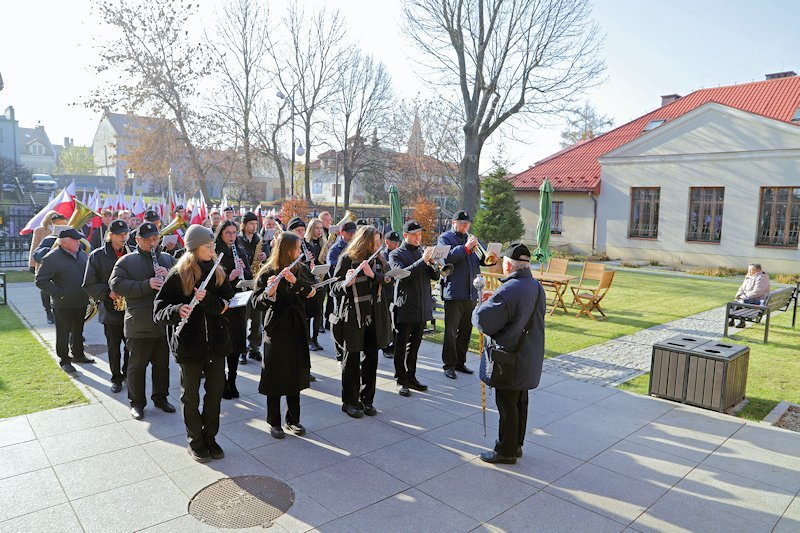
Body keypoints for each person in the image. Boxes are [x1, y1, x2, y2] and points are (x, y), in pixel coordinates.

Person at [153, 224, 234, 463]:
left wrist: (209, 300)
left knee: (214, 394)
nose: (213, 249)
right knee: (190, 396)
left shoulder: (218, 271)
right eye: (208, 246)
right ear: (195, 249)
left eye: (212, 245)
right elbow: (159, 311)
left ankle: (210, 437)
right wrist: (179, 309)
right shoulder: (178, 274)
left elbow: (228, 301)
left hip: (216, 345)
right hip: (189, 345)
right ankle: (195, 441)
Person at [473, 243, 545, 465]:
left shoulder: (509, 289)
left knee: (507, 404)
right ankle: (516, 444)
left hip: (510, 357)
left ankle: (505, 450)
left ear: (508, 265)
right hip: (528, 355)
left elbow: (482, 321)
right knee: (520, 402)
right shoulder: (535, 285)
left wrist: (479, 307)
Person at [252, 232, 317, 439]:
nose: (300, 252)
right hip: (276, 327)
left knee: (295, 372)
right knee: (275, 373)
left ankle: (293, 419)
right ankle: (274, 421)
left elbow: (314, 292)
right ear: (286, 249)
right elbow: (255, 302)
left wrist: (295, 281)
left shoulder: (301, 269)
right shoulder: (267, 271)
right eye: (297, 248)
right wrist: (269, 292)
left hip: (297, 326)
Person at [109, 222, 177, 420]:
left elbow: (182, 284)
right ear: (137, 240)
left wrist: (169, 278)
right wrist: (146, 284)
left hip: (162, 323)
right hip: (139, 323)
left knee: (162, 365)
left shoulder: (166, 258)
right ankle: (137, 402)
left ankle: (161, 397)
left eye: (155, 239)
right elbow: (116, 285)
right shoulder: (126, 261)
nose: (152, 243)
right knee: (137, 366)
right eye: (148, 240)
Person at [330, 225, 393, 418]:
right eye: (374, 242)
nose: (378, 246)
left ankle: (367, 399)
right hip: (352, 316)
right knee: (352, 359)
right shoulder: (347, 259)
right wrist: (346, 283)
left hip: (374, 317)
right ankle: (350, 401)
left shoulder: (381, 262)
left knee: (371, 359)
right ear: (364, 242)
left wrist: (373, 275)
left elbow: (389, 284)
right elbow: (333, 287)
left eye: (379, 242)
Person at [437, 210, 497, 379]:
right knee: (451, 331)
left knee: (465, 329)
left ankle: (460, 362)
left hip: (471, 292)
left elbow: (483, 260)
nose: (465, 227)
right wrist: (465, 248)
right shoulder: (445, 238)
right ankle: (448, 364)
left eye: (467, 224)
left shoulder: (472, 239)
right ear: (453, 223)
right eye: (462, 223)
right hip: (454, 292)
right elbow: (447, 258)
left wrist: (491, 256)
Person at [389, 221, 439, 396]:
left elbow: (436, 276)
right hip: (405, 306)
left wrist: (434, 263)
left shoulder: (421, 252)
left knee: (415, 345)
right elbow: (402, 276)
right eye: (415, 234)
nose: (419, 237)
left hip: (422, 306)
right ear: (405, 236)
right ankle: (400, 379)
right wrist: (422, 260)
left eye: (420, 234)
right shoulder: (396, 254)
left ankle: (411, 376)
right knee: (401, 345)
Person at [36, 228, 95, 373]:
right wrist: (60, 294)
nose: (78, 242)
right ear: (63, 242)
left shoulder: (81, 254)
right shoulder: (51, 258)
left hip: (81, 301)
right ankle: (64, 360)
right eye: (74, 240)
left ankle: (78, 355)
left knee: (78, 331)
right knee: (63, 333)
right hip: (63, 304)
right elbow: (41, 281)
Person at [82, 219, 131, 392]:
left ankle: (127, 374)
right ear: (110, 236)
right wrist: (107, 292)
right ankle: (116, 378)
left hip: (130, 309)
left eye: (126, 234)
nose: (124, 237)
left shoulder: (131, 253)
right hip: (110, 309)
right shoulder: (97, 255)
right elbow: (89, 283)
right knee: (114, 347)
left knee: (131, 346)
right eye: (120, 235)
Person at [214, 219, 252, 395]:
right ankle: (221, 383)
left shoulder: (241, 251)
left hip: (238, 304)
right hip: (222, 305)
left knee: (236, 345)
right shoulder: (215, 253)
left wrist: (244, 271)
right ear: (221, 234)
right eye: (227, 233)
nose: (231, 236)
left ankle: (233, 380)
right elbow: (211, 282)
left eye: (234, 233)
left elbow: (250, 277)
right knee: (223, 345)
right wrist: (229, 277)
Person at [28, 211, 68, 324]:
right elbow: (34, 247)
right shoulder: (40, 230)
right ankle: (48, 312)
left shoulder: (67, 230)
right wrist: (32, 265)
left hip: (61, 266)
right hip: (44, 264)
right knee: (45, 290)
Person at [238, 211, 267, 361]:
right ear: (244, 225)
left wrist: (265, 256)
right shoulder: (238, 240)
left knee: (257, 319)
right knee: (243, 320)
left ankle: (254, 348)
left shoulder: (259, 240)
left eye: (256, 224)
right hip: (243, 284)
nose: (254, 226)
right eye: (251, 224)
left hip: (257, 284)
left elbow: (268, 258)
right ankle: (242, 350)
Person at [326, 221, 357, 360]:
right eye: (350, 233)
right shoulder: (335, 249)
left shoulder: (356, 247)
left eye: (354, 232)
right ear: (342, 233)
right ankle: (339, 352)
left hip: (351, 288)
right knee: (338, 319)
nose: (353, 235)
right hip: (339, 288)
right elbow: (332, 267)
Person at [303, 217, 326, 352]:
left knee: (318, 312)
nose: (319, 231)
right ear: (311, 229)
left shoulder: (324, 243)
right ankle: (308, 339)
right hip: (309, 281)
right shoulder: (306, 244)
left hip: (321, 280)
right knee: (308, 313)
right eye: (316, 228)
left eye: (321, 228)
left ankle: (316, 338)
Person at [730, 264, 771, 328]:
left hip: (758, 301)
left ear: (758, 270)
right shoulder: (750, 276)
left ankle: (741, 322)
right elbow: (742, 287)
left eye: (750, 270)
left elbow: (757, 292)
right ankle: (732, 320)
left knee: (739, 303)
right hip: (749, 298)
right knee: (734, 303)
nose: (748, 271)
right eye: (748, 269)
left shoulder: (762, 278)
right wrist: (738, 294)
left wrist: (743, 296)